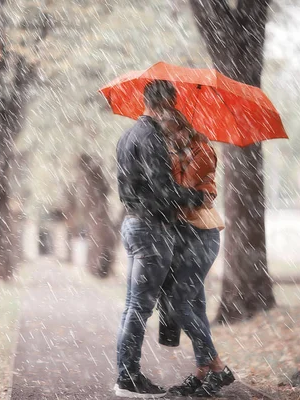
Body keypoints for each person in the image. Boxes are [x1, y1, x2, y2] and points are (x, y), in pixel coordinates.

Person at [115, 80, 206, 398]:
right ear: (163, 104)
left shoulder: (127, 136)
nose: (174, 112)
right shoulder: (151, 138)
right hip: (151, 229)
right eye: (173, 105)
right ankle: (128, 377)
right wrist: (195, 196)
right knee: (139, 308)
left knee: (131, 307)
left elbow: (131, 188)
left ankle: (126, 372)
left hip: (133, 224)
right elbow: (163, 192)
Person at [158, 109, 235, 397]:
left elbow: (182, 189)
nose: (169, 136)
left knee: (179, 302)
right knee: (196, 305)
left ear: (184, 126)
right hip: (184, 236)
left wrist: (171, 166)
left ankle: (217, 366)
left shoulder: (203, 150)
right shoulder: (178, 151)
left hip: (203, 235)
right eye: (166, 132)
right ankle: (204, 370)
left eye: (172, 129)